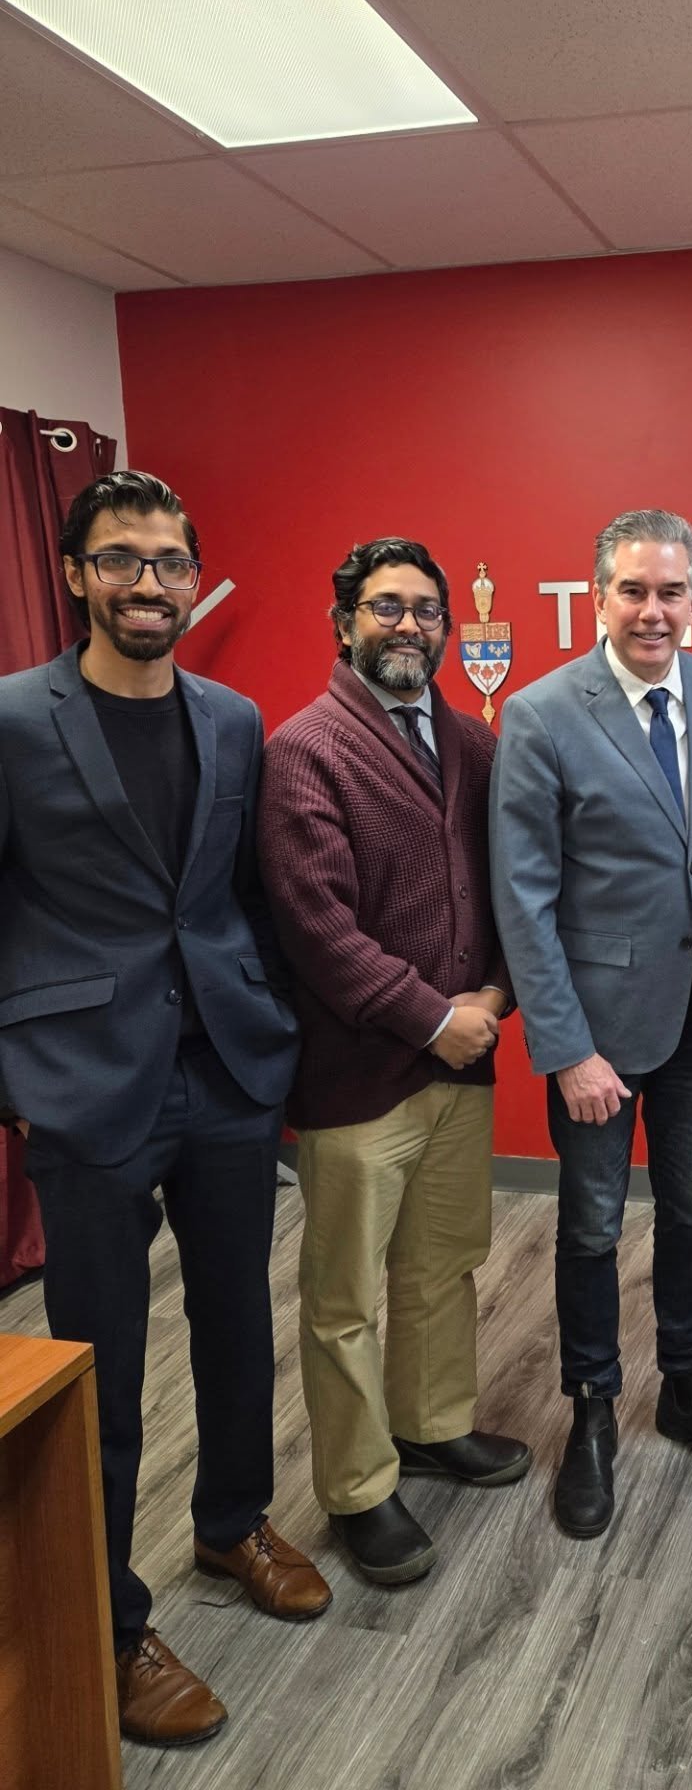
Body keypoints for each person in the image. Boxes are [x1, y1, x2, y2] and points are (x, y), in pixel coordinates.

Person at [0, 471, 329, 1749]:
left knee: (241, 1318)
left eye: (171, 562)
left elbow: (242, 893)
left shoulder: (235, 718)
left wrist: (273, 1030)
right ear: (78, 574)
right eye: (123, 560)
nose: (150, 583)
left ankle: (231, 1522)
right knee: (104, 1365)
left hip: (229, 1073)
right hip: (85, 1083)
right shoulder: (16, 720)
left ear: (196, 577)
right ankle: (108, 1611)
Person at [491, 509, 692, 1539]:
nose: (651, 610)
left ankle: (691, 1388)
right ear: (598, 595)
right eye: (632, 590)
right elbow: (522, 900)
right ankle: (594, 1412)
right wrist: (566, 1049)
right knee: (591, 1225)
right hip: (600, 1037)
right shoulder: (540, 713)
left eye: (670, 593)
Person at [259, 538, 528, 1586]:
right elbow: (314, 925)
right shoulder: (305, 751)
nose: (407, 625)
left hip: (462, 1064)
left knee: (441, 1267)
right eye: (384, 608)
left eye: (424, 609)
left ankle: (432, 1425)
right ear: (343, 625)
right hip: (358, 1076)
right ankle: (361, 1487)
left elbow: (509, 885)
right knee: (345, 1299)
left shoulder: (472, 743)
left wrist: (495, 996)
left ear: (447, 627)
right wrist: (430, 1017)